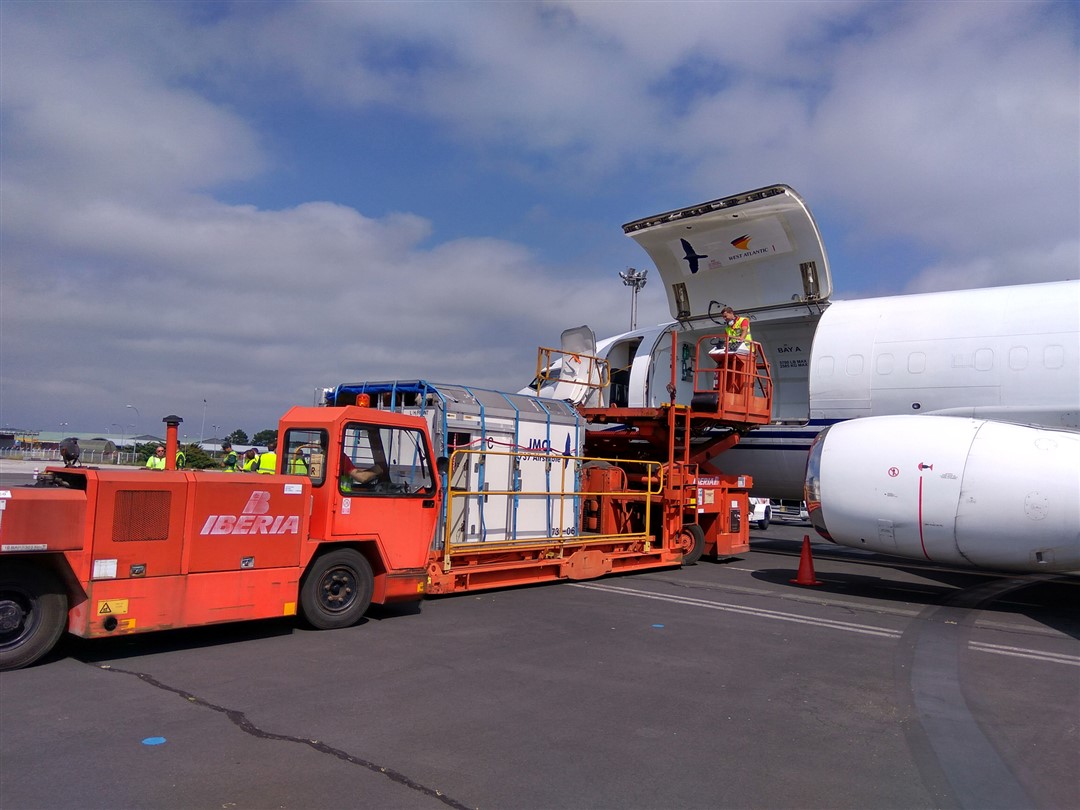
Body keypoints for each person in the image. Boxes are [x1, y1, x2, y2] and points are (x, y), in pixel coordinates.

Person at [709, 306, 753, 393]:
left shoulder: (743, 320)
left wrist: (740, 340)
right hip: (734, 351)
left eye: (726, 316)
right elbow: (726, 339)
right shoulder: (727, 328)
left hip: (747, 350)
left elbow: (744, 331)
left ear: (731, 313)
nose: (725, 319)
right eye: (723, 317)